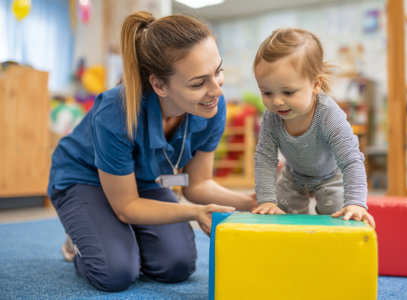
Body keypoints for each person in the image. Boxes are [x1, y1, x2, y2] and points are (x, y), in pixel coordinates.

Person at [48, 11, 256, 292]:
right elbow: (127, 206)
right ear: (159, 85)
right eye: (198, 83)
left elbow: (198, 185)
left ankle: (113, 234)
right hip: (84, 178)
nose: (216, 90)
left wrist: (252, 201)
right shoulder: (116, 111)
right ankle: (80, 240)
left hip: (141, 181)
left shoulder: (210, 108)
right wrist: (194, 213)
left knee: (177, 265)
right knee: (116, 272)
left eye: (217, 71)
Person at [251, 28, 375, 228]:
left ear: (316, 84)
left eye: (288, 92)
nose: (277, 101)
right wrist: (267, 200)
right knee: (281, 215)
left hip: (331, 176)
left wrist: (356, 203)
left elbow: (351, 160)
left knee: (338, 214)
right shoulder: (272, 118)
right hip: (293, 175)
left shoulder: (329, 115)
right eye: (266, 92)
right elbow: (264, 158)